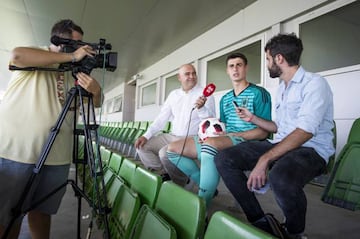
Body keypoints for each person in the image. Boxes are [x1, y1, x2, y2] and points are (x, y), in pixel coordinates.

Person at [215, 33, 334, 239]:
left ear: (279, 59)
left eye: (268, 59)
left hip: (312, 150)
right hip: (281, 143)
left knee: (281, 177)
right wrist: (253, 118)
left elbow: (304, 131)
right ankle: (260, 222)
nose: (267, 64)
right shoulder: (282, 88)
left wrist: (265, 159)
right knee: (224, 158)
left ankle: (294, 233)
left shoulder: (315, 84)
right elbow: (278, 126)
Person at [0, 19, 102, 239]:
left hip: (57, 157)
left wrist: (96, 91)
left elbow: (95, 104)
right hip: (19, 152)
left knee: (43, 212)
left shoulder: (73, 73)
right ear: (59, 40)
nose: (81, 49)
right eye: (76, 43)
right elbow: (16, 55)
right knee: (9, 215)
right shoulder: (38, 54)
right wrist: (72, 56)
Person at [166, 53, 272, 206]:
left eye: (239, 65)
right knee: (173, 149)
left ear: (246, 68)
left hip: (250, 141)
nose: (235, 69)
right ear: (227, 71)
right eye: (231, 66)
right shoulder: (225, 99)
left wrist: (234, 135)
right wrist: (208, 134)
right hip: (227, 138)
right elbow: (221, 126)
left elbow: (264, 131)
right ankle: (205, 182)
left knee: (209, 147)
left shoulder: (259, 93)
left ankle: (202, 206)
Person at [134, 64, 216, 185]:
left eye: (194, 73)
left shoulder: (205, 95)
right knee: (142, 146)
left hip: (192, 138)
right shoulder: (174, 94)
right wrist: (146, 135)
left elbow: (210, 122)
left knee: (164, 153)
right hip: (172, 136)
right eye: (187, 74)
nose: (192, 76)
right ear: (179, 77)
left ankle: (180, 182)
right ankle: (164, 174)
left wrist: (202, 108)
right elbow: (161, 118)